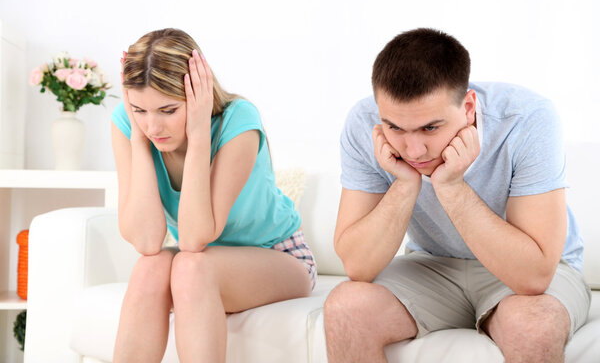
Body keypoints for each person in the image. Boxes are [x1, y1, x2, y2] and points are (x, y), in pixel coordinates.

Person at [323, 28, 591, 363]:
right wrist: (406, 183)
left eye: (430, 128)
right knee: (346, 308)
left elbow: (534, 276)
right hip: (432, 266)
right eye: (395, 128)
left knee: (532, 325)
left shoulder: (527, 118)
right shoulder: (363, 123)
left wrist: (450, 187)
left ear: (467, 107)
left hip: (529, 271)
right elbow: (358, 267)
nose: (414, 149)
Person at [110, 28, 316, 363]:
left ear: (197, 95)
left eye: (167, 110)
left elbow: (193, 238)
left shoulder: (239, 120)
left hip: (279, 256)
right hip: (202, 260)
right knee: (151, 267)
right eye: (140, 110)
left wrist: (199, 132)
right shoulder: (129, 124)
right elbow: (147, 241)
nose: (154, 127)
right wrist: (137, 141)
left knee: (190, 266)